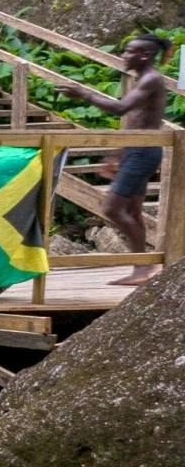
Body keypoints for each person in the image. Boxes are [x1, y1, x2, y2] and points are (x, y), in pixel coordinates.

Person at [80, 32, 173, 286]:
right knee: (133, 210)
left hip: (144, 151)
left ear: (145, 55)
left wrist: (84, 94)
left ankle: (143, 269)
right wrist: (118, 152)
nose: (124, 56)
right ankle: (143, 269)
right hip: (136, 149)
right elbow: (136, 120)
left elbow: (122, 109)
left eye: (130, 51)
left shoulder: (151, 79)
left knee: (113, 208)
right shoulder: (143, 78)